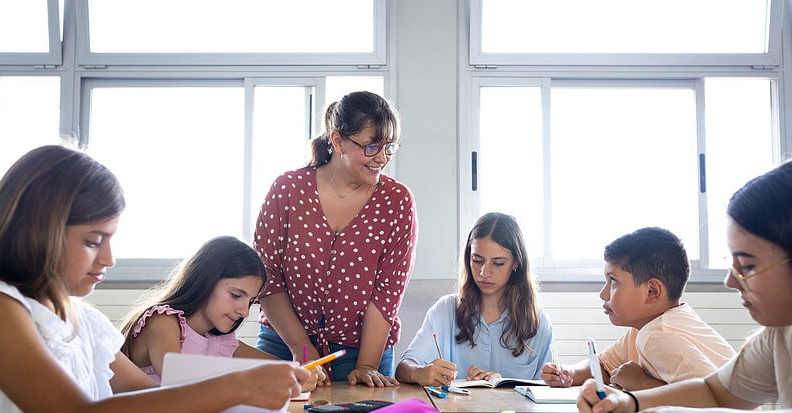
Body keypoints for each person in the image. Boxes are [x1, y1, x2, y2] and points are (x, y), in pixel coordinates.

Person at [0, 145, 317, 413]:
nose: (109, 258)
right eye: (94, 240)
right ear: (39, 231)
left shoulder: (84, 319)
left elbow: (146, 393)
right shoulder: (3, 309)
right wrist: (237, 386)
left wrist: (250, 393)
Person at [579, 161, 792, 413]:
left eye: (746, 266)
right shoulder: (780, 333)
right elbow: (714, 393)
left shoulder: (660, 333)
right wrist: (628, 401)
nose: (730, 281)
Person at [253, 91, 418, 387]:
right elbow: (269, 278)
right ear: (338, 141)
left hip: (363, 352)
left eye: (390, 147)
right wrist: (304, 351)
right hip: (284, 346)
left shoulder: (397, 201)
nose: (382, 158)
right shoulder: (288, 189)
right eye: (371, 147)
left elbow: (387, 293)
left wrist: (366, 365)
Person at [541, 227, 736, 392]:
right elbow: (604, 366)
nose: (603, 293)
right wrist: (569, 373)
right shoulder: (644, 329)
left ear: (652, 291)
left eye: (613, 281)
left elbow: (715, 405)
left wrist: (641, 383)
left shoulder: (659, 335)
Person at [121, 236, 323, 391]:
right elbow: (181, 389)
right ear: (205, 279)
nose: (244, 312)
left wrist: (300, 374)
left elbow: (279, 369)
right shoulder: (163, 321)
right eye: (236, 295)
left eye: (251, 302)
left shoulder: (220, 340)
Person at [396, 212, 553, 387]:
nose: (484, 272)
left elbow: (547, 388)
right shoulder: (445, 310)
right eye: (477, 260)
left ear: (516, 263)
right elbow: (403, 368)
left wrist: (501, 384)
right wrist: (421, 373)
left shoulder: (537, 323)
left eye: (498, 263)